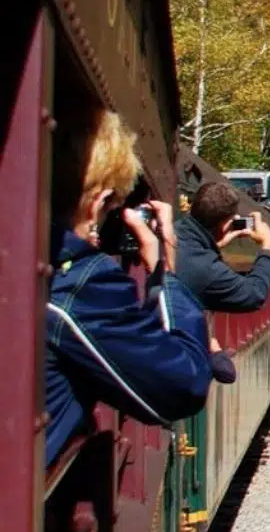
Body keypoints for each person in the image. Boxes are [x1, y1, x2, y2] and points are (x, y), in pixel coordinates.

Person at [46, 109, 213, 467]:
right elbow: (184, 385)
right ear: (97, 203)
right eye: (112, 208)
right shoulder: (79, 282)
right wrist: (162, 271)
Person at [175, 181, 270, 312]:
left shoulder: (171, 231)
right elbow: (254, 295)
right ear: (226, 225)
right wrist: (269, 246)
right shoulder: (207, 270)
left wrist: (213, 246)